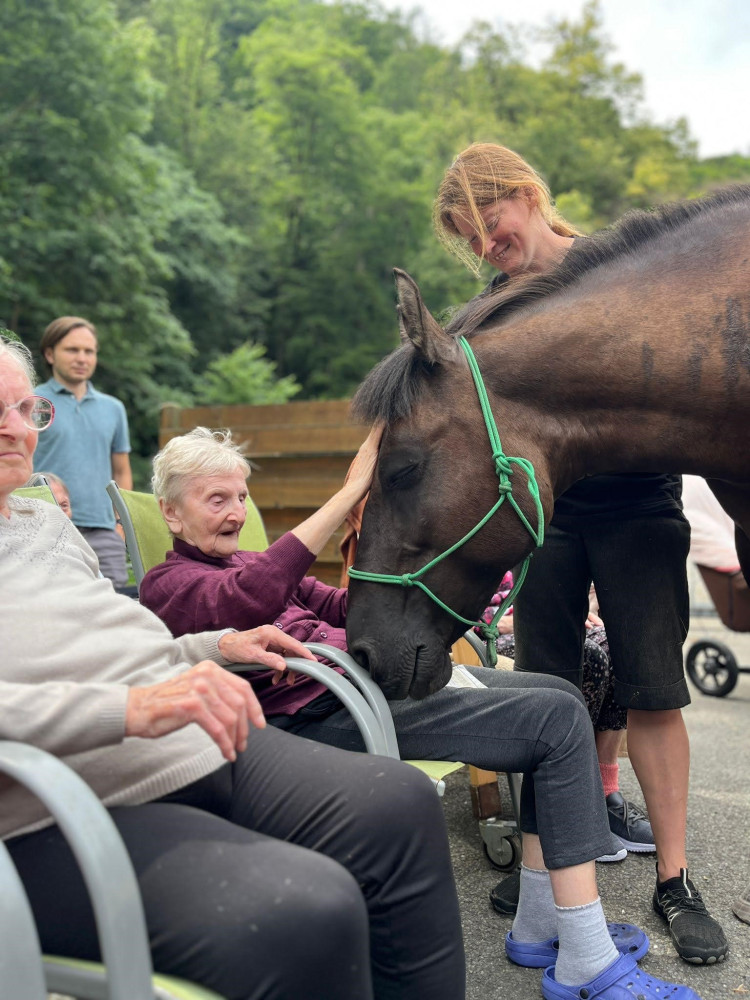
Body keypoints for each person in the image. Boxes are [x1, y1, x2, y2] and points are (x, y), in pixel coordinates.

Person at [138, 425, 702, 999]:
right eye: (217, 499)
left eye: (241, 496)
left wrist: (456, 587)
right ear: (172, 514)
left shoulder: (254, 562)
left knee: (557, 696)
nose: (235, 510)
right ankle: (583, 956)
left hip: (366, 689)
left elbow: (345, 603)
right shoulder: (168, 585)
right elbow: (253, 596)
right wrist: (348, 493)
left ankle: (541, 925)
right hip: (322, 714)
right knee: (554, 721)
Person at [0, 337, 466, 1000]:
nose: (17, 428)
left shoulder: (46, 527)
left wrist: (214, 649)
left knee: (401, 802)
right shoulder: (179, 573)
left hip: (187, 737)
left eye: (26, 408)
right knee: (306, 908)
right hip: (62, 800)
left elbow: (121, 643)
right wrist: (130, 709)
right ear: (173, 511)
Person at [433, 141, 728, 966]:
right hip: (551, 523)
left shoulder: (621, 269)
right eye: (475, 244)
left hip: (640, 506)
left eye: (493, 229)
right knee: (547, 696)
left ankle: (674, 880)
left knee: (654, 694)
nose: (490, 252)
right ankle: (548, 875)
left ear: (528, 195)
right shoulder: (495, 311)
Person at [34, 315, 133, 588]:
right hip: (45, 527)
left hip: (104, 533)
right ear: (50, 354)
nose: (82, 358)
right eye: (72, 350)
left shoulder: (113, 408)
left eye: (88, 351)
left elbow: (122, 470)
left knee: (114, 612)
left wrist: (121, 526)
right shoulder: (32, 403)